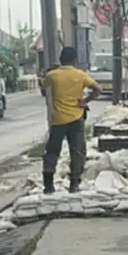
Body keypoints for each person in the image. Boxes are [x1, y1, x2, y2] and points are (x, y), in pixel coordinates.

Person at [39, 46, 100, 194]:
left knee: (52, 152)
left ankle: (48, 185)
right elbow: (98, 89)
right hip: (76, 119)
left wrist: (48, 71)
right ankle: (74, 184)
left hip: (58, 120)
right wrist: (85, 101)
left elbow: (42, 86)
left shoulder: (53, 75)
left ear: (61, 59)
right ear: (74, 60)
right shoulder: (81, 75)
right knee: (77, 152)